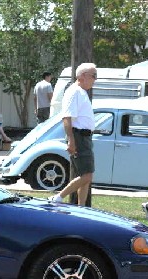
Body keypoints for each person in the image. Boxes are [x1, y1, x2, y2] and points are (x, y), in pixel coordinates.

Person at [48, 63, 97, 206]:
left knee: (86, 176)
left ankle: (82, 208)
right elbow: (67, 117)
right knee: (87, 175)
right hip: (78, 137)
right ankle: (58, 198)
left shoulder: (81, 92)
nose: (95, 79)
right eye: (93, 76)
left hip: (85, 137)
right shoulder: (74, 91)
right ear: (82, 76)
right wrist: (71, 140)